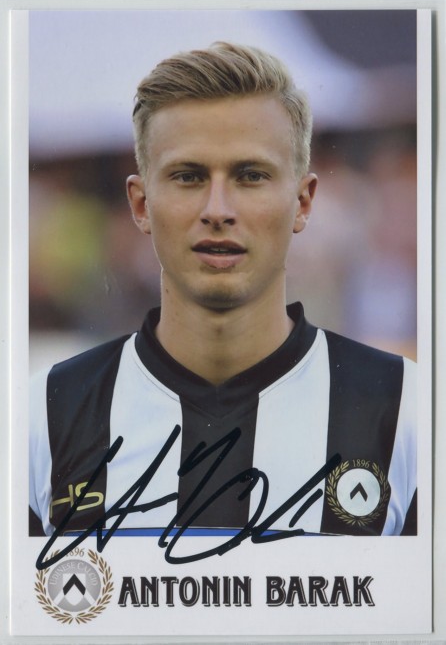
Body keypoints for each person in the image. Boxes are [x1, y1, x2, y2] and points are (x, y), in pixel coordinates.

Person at [29, 42, 416, 539]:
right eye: (188, 177)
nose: (218, 209)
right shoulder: (41, 415)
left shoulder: (409, 411)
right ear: (141, 205)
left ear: (302, 202)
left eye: (250, 176)